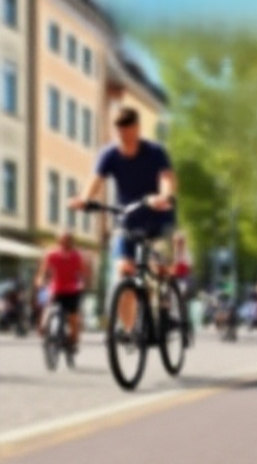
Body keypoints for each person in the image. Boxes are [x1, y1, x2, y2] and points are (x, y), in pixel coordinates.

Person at [68, 106, 177, 335]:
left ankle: (165, 308)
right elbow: (96, 179)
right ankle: (130, 332)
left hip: (158, 220)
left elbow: (167, 178)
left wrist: (164, 196)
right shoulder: (109, 154)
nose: (123, 139)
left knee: (159, 268)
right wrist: (85, 199)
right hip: (127, 220)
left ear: (137, 129)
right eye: (119, 134)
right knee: (123, 272)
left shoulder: (155, 151)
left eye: (127, 133)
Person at [34, 230, 91, 352]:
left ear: (71, 242)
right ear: (58, 241)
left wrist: (83, 284)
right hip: (56, 289)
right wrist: (40, 281)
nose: (64, 243)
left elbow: (84, 273)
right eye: (62, 241)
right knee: (48, 308)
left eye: (67, 241)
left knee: (73, 317)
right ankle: (44, 328)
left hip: (72, 289)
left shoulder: (78, 256)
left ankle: (73, 340)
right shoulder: (52, 254)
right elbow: (43, 271)